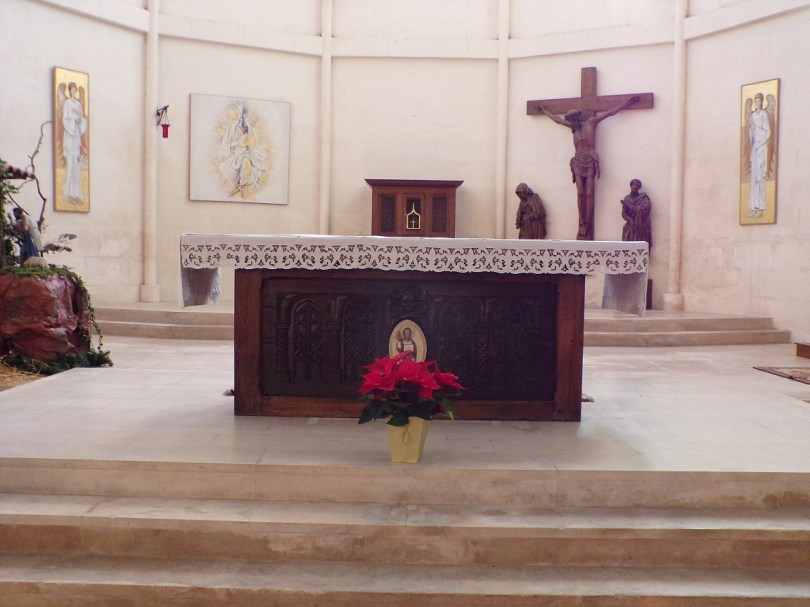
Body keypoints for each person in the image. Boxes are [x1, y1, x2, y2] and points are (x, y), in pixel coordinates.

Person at [535, 95, 639, 240]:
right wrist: (544, 111)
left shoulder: (591, 122)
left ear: (577, 117)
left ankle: (587, 223)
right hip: (577, 161)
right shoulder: (573, 127)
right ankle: (582, 222)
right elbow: (557, 120)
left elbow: (610, 112)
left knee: (589, 193)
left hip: (590, 160)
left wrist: (626, 102)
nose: (571, 122)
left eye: (572, 119)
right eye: (570, 120)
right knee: (580, 193)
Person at [219, 105, 268, 198]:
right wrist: (236, 143)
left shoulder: (252, 130)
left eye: (243, 115)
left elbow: (258, 149)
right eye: (239, 114)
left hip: (248, 156)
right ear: (237, 114)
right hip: (234, 159)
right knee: (244, 159)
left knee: (246, 159)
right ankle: (241, 187)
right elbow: (223, 148)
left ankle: (241, 187)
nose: (241, 117)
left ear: (246, 115)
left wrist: (251, 146)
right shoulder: (230, 129)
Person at [61, 82, 87, 205]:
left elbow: (82, 119)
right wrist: (72, 121)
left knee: (76, 167)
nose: (73, 92)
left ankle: (76, 195)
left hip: (76, 137)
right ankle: (69, 194)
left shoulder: (78, 104)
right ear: (69, 90)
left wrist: (79, 121)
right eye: (71, 89)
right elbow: (65, 119)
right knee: (70, 166)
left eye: (75, 90)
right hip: (70, 137)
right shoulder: (67, 104)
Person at [747, 92, 770, 218]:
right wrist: (752, 131)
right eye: (755, 101)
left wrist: (757, 130)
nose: (757, 103)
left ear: (762, 102)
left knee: (759, 178)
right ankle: (754, 208)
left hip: (760, 149)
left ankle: (760, 208)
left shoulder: (763, 114)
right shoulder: (753, 115)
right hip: (754, 149)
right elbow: (750, 131)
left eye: (758, 101)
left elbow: (767, 132)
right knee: (753, 179)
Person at [620, 179, 652, 250]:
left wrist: (627, 204)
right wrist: (629, 219)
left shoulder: (644, 198)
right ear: (630, 186)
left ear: (639, 187)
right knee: (627, 248)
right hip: (630, 226)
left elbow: (644, 210)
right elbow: (624, 213)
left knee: (640, 249)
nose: (635, 187)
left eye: (637, 186)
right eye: (633, 185)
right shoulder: (627, 198)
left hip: (640, 226)